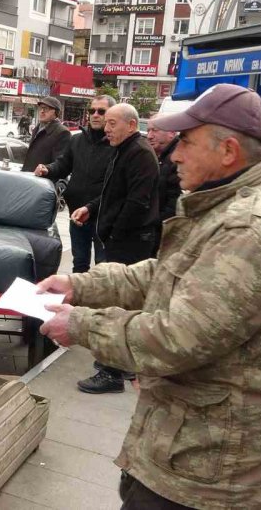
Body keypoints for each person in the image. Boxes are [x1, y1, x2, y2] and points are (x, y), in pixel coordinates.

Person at [37, 83, 261, 510]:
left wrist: (80, 325)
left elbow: (179, 336)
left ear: (228, 152)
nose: (176, 154)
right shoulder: (224, 208)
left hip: (216, 464)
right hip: (190, 441)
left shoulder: (251, 229)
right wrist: (81, 286)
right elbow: (165, 274)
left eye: (187, 142)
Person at [70, 102, 159, 394]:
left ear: (131, 125)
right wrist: (91, 208)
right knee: (116, 301)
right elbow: (110, 193)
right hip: (119, 237)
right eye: (104, 123)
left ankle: (113, 372)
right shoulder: (122, 150)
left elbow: (136, 202)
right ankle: (115, 364)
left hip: (131, 241)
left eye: (111, 123)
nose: (105, 129)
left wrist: (114, 232)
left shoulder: (140, 154)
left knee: (122, 304)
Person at [34, 95, 116, 273]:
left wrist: (92, 208)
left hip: (103, 217)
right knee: (79, 264)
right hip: (77, 214)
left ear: (111, 115)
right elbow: (63, 164)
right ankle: (77, 301)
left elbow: (117, 186)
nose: (95, 115)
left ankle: (98, 301)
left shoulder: (116, 144)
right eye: (92, 111)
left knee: (103, 268)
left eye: (101, 111)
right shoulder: (77, 140)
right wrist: (48, 169)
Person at [147, 115, 182, 226]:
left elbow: (174, 205)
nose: (149, 136)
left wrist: (151, 224)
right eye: (148, 131)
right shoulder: (161, 157)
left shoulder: (176, 159)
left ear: (171, 132)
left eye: (154, 130)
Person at [21, 96, 70, 172]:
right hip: (29, 178)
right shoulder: (37, 128)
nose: (42, 111)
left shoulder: (62, 132)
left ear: (55, 112)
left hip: (43, 181)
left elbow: (60, 165)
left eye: (46, 109)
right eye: (41, 108)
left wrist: (46, 170)